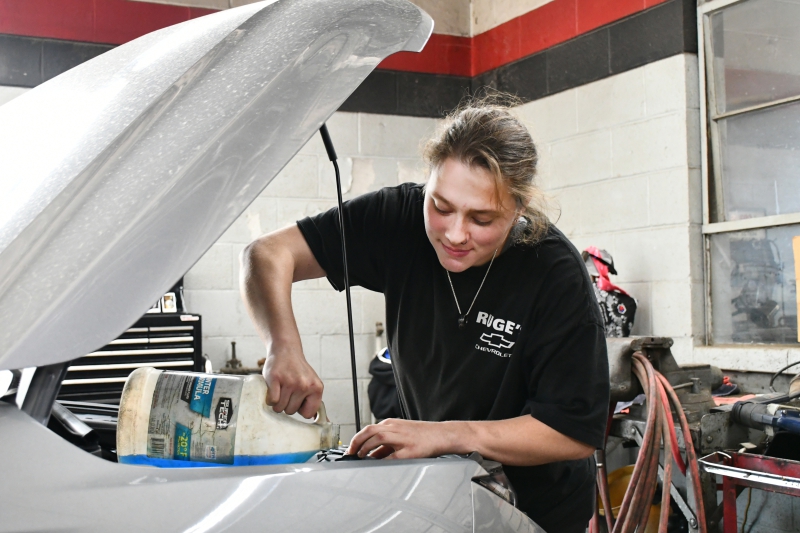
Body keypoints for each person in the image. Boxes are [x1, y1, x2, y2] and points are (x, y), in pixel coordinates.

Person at [240, 97, 610, 532]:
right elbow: (267, 253)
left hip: (537, 513)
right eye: (441, 206)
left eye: (482, 218)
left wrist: (446, 435)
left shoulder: (554, 274)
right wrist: (283, 346)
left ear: (519, 208)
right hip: (440, 497)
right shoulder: (397, 220)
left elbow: (572, 433)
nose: (455, 234)